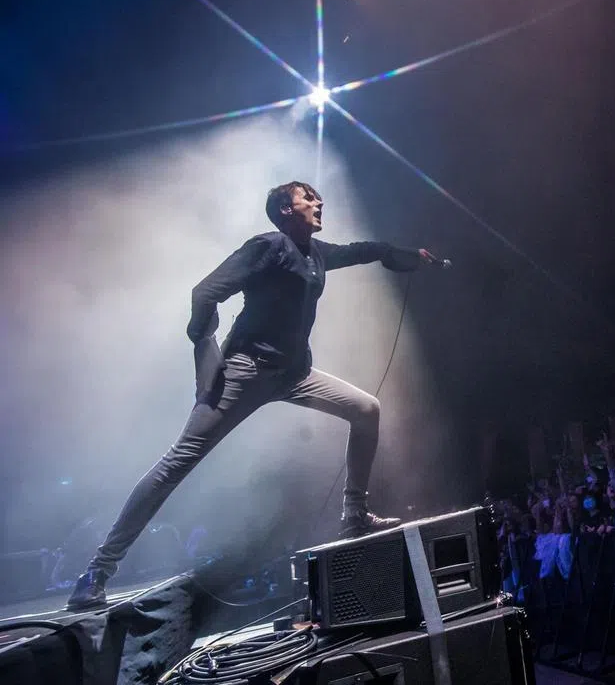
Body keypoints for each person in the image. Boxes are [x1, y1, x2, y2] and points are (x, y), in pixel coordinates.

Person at [67, 181, 442, 610]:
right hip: (245, 373)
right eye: (309, 198)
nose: (320, 203)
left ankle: (354, 516)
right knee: (178, 461)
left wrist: (408, 257)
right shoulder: (269, 246)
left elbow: (363, 249)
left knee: (366, 409)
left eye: (318, 197)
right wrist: (203, 348)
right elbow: (205, 293)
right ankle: (98, 570)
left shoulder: (315, 254)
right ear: (285, 209)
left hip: (293, 374)